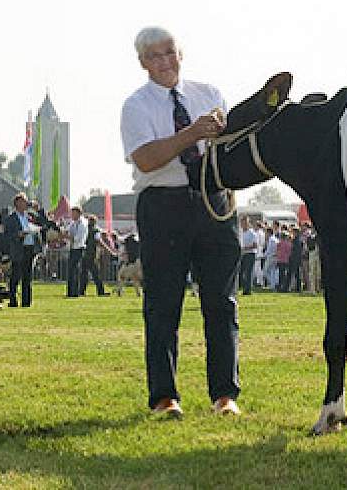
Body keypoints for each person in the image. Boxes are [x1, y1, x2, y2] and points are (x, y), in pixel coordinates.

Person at [120, 25, 241, 417]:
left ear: (180, 53)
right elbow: (146, 159)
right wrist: (192, 134)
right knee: (163, 304)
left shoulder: (210, 94)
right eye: (155, 56)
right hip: (163, 205)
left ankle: (225, 394)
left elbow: (229, 147)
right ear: (143, 63)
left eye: (170, 52)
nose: (165, 62)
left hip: (212, 201)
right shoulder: (136, 106)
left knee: (221, 303)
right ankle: (164, 397)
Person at [3, 193, 40, 308]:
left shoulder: (30, 216)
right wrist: (18, 235)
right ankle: (13, 300)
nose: (26, 204)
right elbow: (7, 235)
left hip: (30, 248)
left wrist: (39, 209)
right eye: (24, 201)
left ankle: (26, 301)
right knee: (15, 276)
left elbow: (43, 222)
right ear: (17, 203)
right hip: (19, 249)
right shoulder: (11, 219)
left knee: (27, 277)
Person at [79, 214, 110, 296]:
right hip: (91, 255)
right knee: (96, 274)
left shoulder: (84, 229)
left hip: (83, 254)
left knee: (83, 274)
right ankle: (100, 291)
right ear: (95, 222)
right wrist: (109, 249)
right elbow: (99, 241)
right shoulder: (95, 230)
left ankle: (81, 291)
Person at [65, 206, 88, 298]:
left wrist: (67, 236)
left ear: (78, 213)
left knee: (76, 271)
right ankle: (70, 292)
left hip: (79, 249)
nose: (72, 215)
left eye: (73, 213)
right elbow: (67, 231)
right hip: (72, 249)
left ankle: (75, 292)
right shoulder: (73, 223)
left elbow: (78, 238)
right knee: (70, 271)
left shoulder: (83, 224)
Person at [238, 216, 257, 295]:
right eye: (242, 223)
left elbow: (255, 245)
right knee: (241, 272)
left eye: (245, 223)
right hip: (243, 254)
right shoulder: (241, 233)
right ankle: (243, 287)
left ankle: (247, 290)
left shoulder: (252, 233)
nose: (243, 225)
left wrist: (245, 248)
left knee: (248, 272)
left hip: (250, 254)